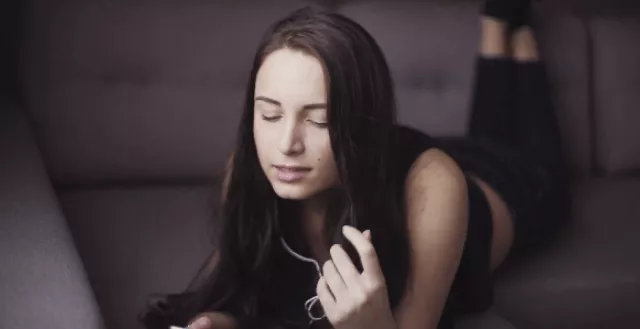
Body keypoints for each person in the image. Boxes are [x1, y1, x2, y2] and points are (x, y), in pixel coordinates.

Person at [142, 1, 570, 328]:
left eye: (321, 121)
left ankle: (519, 39)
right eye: (269, 114)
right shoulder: (254, 166)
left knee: (541, 165)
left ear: (362, 124)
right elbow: (238, 290)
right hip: (434, 157)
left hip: (510, 186)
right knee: (483, 135)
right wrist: (219, 323)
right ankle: (497, 31)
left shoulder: (435, 185)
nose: (286, 144)